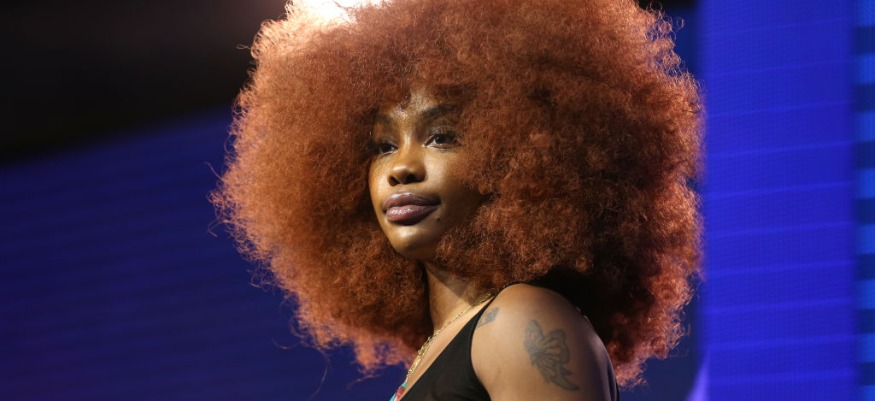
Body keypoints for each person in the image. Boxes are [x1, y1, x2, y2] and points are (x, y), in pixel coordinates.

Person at [212, 0, 702, 399]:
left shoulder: (520, 319)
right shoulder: (448, 345)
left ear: (519, 155)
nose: (401, 167)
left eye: (441, 136)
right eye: (382, 146)